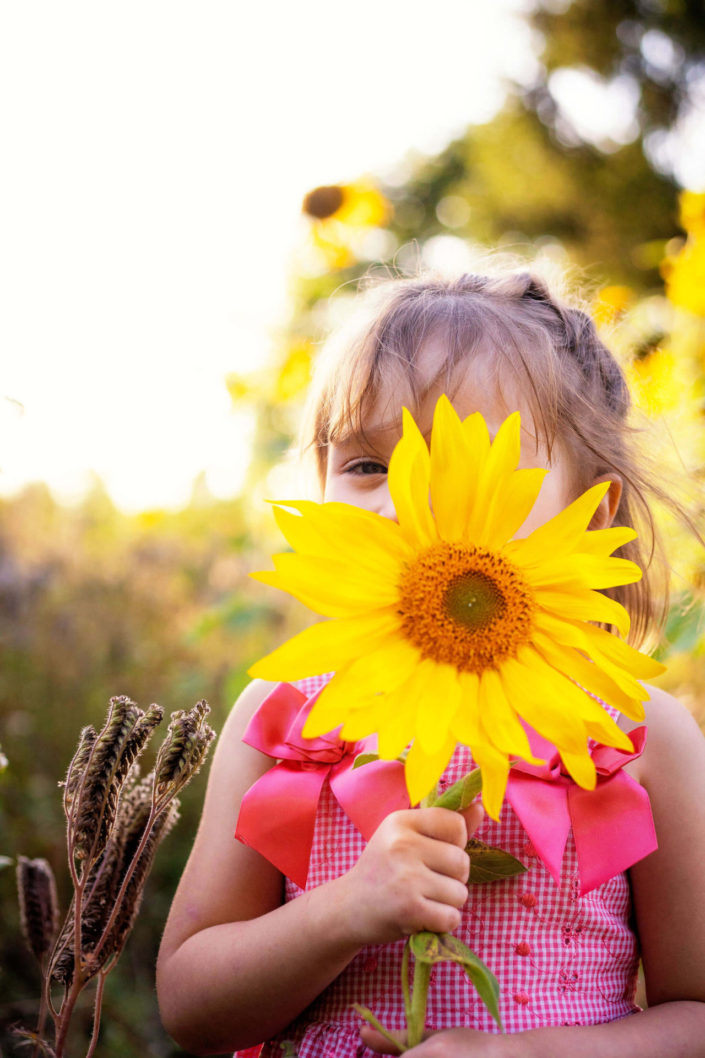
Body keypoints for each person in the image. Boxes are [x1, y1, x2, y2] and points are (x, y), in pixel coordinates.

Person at [156, 269, 705, 1058]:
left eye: (466, 462)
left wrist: (527, 1055)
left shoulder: (636, 735)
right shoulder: (288, 716)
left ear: (594, 508)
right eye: (366, 466)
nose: (405, 499)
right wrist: (343, 911)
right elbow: (191, 1005)